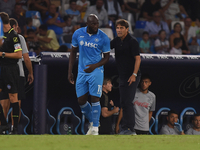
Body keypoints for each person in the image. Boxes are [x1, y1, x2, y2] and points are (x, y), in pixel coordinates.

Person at [68, 14, 110, 135]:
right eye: (93, 24)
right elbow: (73, 53)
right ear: (87, 23)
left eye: (97, 23)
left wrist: (95, 66)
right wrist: (70, 71)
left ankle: (96, 129)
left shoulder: (103, 37)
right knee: (81, 100)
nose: (96, 26)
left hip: (96, 71)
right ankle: (93, 121)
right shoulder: (77, 33)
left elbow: (107, 57)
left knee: (95, 98)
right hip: (82, 71)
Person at [0, 18, 34, 133]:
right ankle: (14, 130)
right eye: (17, 27)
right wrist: (30, 73)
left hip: (4, 72)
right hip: (17, 73)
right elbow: (26, 58)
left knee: (4, 102)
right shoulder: (19, 38)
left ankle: (3, 130)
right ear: (13, 26)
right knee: (16, 102)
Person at [111, 19, 141, 135]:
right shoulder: (117, 40)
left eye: (121, 28)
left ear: (127, 30)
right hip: (123, 76)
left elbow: (138, 59)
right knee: (123, 102)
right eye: (117, 28)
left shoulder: (132, 41)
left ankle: (130, 129)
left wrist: (134, 74)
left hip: (132, 76)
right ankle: (125, 128)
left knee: (128, 101)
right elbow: (105, 46)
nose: (119, 30)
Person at [0, 12, 22, 134]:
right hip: (1, 69)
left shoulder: (14, 36)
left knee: (13, 97)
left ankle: (15, 128)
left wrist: (2, 54)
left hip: (10, 69)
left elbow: (19, 54)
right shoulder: (0, 36)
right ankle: (3, 124)